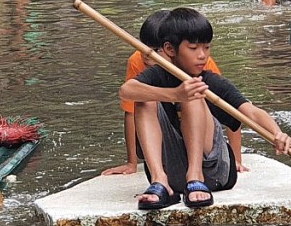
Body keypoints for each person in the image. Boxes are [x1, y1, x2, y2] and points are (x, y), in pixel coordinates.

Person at [118, 8, 291, 210]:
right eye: (194, 48)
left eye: (206, 48)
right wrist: (175, 94)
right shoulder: (156, 75)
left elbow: (252, 111)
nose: (202, 55)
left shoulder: (211, 79)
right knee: (143, 97)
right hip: (172, 172)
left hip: (212, 172)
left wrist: (277, 133)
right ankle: (160, 181)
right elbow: (126, 91)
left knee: (194, 91)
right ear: (169, 49)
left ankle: (195, 176)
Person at [103, 10, 247, 177]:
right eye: (145, 50)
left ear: (169, 49)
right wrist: (131, 163)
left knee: (192, 98)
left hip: (201, 140)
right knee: (144, 97)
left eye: (156, 51)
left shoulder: (199, 63)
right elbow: (130, 108)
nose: (149, 58)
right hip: (168, 141)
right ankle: (159, 177)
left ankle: (195, 173)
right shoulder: (138, 61)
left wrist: (236, 159)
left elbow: (231, 112)